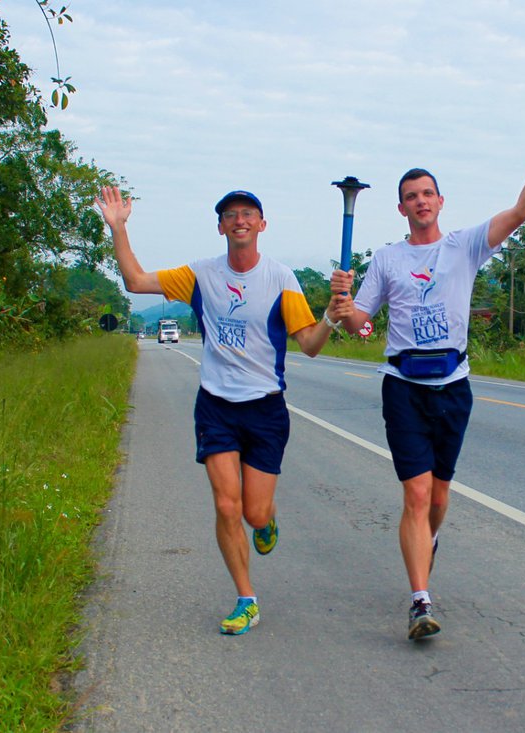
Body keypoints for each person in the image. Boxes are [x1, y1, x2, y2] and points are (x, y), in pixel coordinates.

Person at [328, 109, 525, 640]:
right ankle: (420, 601)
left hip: (452, 387)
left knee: (439, 498)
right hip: (403, 388)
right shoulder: (388, 259)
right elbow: (361, 323)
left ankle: (429, 540)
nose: (421, 201)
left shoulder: (464, 245)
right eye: (411, 196)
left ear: (440, 201)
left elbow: (522, 211)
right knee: (417, 495)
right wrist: (345, 307)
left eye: (428, 193)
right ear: (401, 208)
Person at [97, 186, 346, 635]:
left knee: (254, 512)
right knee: (227, 504)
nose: (239, 220)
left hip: (265, 408)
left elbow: (309, 345)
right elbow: (135, 281)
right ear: (220, 227)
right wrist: (118, 227)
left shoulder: (281, 279)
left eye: (248, 213)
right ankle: (246, 599)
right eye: (230, 215)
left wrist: (329, 316)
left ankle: (266, 521)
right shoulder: (200, 274)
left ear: (262, 224)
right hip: (216, 406)